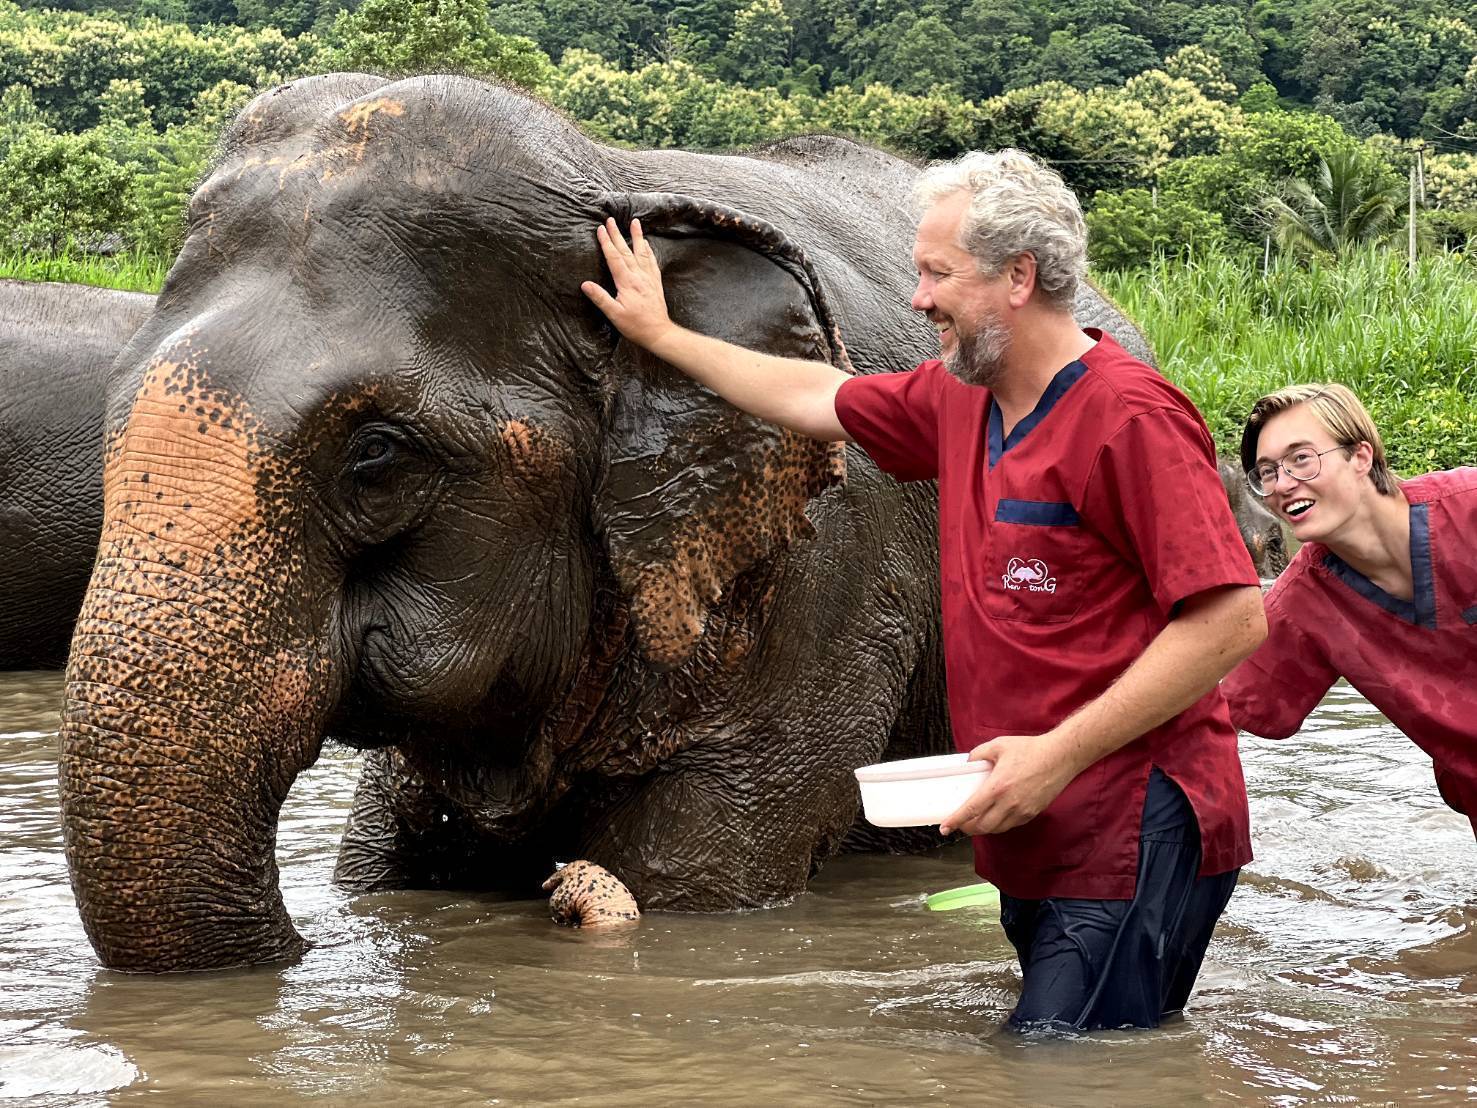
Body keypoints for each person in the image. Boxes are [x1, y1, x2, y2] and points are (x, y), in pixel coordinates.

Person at [580, 149, 1267, 1031]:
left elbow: (1228, 618)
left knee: (1055, 1064)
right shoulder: (961, 402)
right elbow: (817, 395)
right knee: (1113, 1050)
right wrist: (664, 335)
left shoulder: (1129, 418)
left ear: (1018, 277)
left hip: (1127, 823)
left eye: (937, 273)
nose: (917, 299)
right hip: (1028, 824)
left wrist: (1055, 755)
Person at [1223, 384, 1477, 830]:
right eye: (1267, 472)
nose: (1282, 485)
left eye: (1301, 459)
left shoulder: (1469, 510)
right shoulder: (1304, 601)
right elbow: (1219, 718)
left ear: (1361, 456)